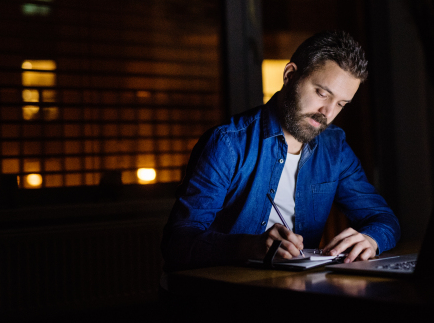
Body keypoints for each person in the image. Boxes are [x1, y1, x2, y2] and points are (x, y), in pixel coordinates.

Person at [161, 30, 400, 272]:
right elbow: (177, 243)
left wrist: (372, 239)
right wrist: (248, 246)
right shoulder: (227, 143)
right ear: (290, 75)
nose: (328, 112)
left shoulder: (334, 147)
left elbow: (384, 219)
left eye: (340, 104)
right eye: (322, 93)